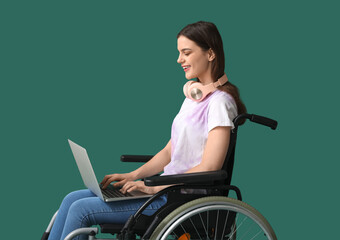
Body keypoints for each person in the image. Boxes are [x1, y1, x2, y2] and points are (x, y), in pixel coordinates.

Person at [46, 21, 247, 240]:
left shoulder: (220, 103)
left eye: (186, 53)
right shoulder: (193, 98)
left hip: (179, 198)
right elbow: (169, 152)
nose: (179, 59)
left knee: (80, 210)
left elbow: (211, 166)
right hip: (167, 189)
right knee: (71, 199)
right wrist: (132, 176)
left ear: (210, 54)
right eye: (179, 53)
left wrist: (152, 188)